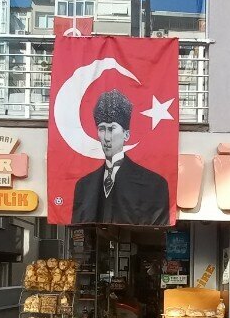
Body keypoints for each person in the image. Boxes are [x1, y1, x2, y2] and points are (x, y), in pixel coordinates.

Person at [71, 89, 170, 225]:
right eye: (102, 129)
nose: (106, 137)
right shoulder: (84, 185)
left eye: (112, 129)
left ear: (126, 135)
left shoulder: (154, 184)